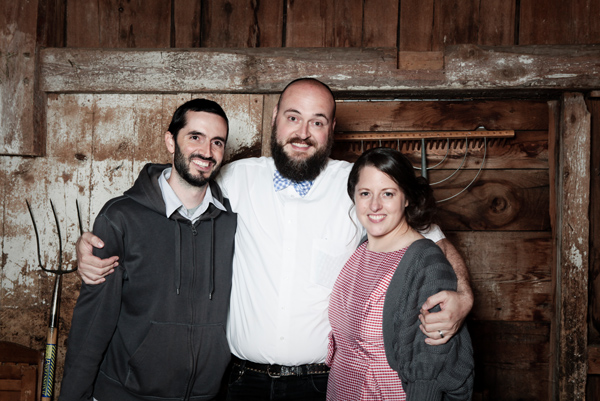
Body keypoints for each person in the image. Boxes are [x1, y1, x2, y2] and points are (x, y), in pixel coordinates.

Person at [75, 78, 474, 400]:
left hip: (321, 383)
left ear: (332, 129)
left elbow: (432, 240)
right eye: (293, 118)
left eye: (317, 122)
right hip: (240, 381)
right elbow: (177, 181)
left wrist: (464, 297)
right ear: (275, 120)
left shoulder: (357, 185)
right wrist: (102, 237)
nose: (303, 133)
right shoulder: (236, 178)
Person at [59, 99, 237, 401]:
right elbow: (93, 320)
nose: (207, 152)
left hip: (205, 396)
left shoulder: (233, 219)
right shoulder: (121, 217)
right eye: (195, 137)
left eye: (217, 142)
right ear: (171, 141)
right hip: (125, 393)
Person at [326, 147, 473, 401]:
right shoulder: (360, 249)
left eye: (388, 193)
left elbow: (430, 369)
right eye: (365, 193)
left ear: (406, 198)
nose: (374, 205)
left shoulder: (425, 263)